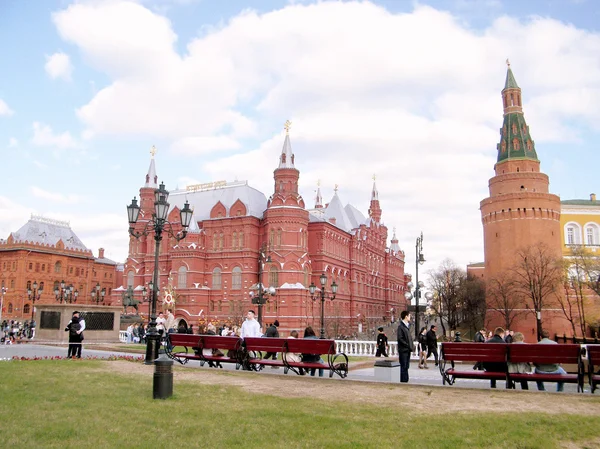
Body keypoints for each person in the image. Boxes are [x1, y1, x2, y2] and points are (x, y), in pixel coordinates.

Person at [397, 311, 414, 382]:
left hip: (407, 349)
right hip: (403, 350)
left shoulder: (407, 326)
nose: (410, 317)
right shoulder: (401, 327)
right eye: (409, 316)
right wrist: (407, 345)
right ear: (406, 316)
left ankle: (405, 380)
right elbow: (400, 338)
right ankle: (403, 381)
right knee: (403, 366)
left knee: (406, 366)